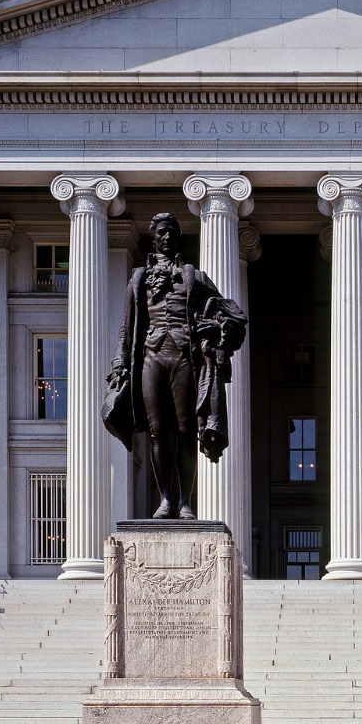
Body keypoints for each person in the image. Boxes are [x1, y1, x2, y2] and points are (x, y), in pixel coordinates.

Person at [103, 213, 247, 519]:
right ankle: (166, 499)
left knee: (184, 431)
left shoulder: (195, 277)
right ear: (153, 238)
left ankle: (185, 502)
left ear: (178, 238)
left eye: (172, 233)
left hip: (184, 356)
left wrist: (214, 328)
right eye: (161, 233)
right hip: (150, 358)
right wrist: (119, 362)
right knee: (157, 432)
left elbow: (232, 314)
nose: (167, 238)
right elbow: (127, 328)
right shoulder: (139, 279)